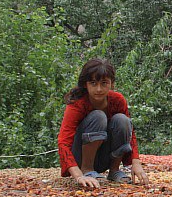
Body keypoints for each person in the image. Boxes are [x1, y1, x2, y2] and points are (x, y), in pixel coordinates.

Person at [57, 58, 148, 189]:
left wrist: (136, 162)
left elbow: (130, 132)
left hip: (105, 155)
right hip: (80, 155)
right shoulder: (77, 104)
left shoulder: (118, 100)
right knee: (98, 116)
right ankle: (87, 169)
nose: (98, 89)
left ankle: (114, 170)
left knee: (123, 120)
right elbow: (63, 141)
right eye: (93, 83)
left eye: (104, 83)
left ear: (111, 84)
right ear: (85, 84)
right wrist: (78, 175)